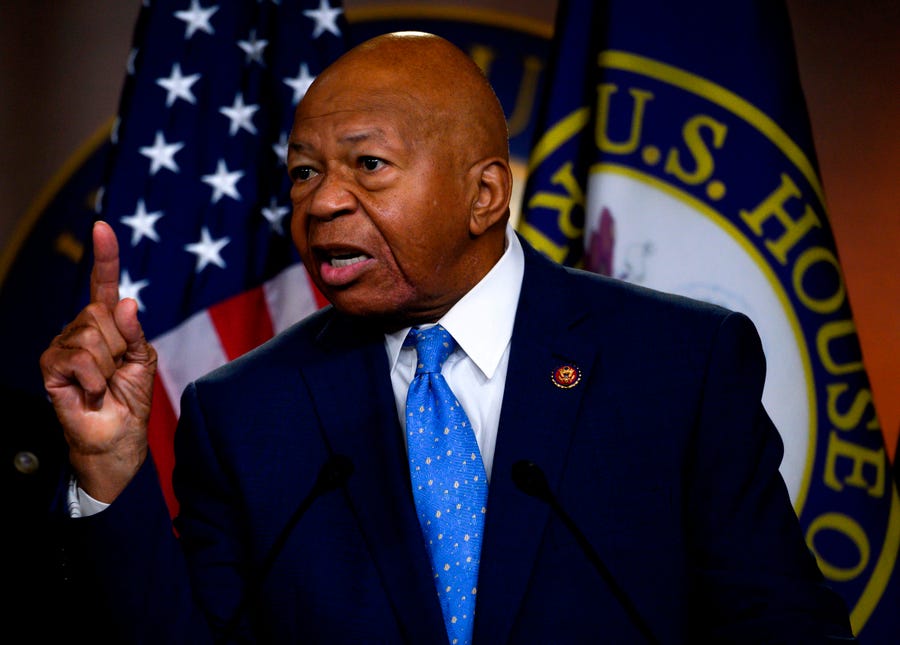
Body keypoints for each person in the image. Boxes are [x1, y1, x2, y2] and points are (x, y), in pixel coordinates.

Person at [40, 31, 856, 644]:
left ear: (485, 194)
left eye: (367, 165)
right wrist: (109, 465)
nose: (321, 201)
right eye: (302, 172)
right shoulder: (246, 410)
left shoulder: (676, 366)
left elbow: (781, 624)